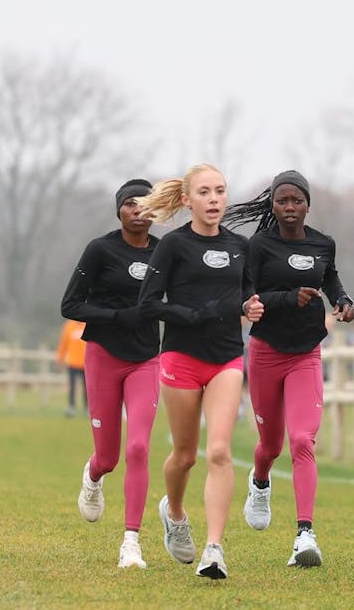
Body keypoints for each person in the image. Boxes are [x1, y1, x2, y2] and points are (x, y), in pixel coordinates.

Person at [135, 164, 263, 580]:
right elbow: (148, 304)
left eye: (220, 191)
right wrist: (194, 315)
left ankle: (214, 549)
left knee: (221, 452)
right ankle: (173, 511)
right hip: (181, 358)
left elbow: (246, 292)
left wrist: (251, 305)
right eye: (205, 192)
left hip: (226, 358)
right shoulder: (172, 245)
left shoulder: (240, 246)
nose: (213, 199)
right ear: (187, 199)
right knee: (185, 456)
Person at [224, 170, 354, 568]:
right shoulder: (260, 245)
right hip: (266, 352)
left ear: (307, 204)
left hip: (306, 353)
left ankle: (304, 534)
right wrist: (285, 299)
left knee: (302, 440)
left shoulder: (323, 243)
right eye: (282, 201)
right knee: (271, 446)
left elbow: (329, 277)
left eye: (296, 201)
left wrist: (343, 299)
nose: (289, 207)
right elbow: (246, 293)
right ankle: (260, 482)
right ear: (273, 205)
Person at [60, 178, 163, 569]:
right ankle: (93, 474)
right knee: (110, 456)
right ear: (118, 211)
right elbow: (70, 305)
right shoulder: (100, 250)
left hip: (145, 359)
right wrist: (117, 316)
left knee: (139, 447)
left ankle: (131, 542)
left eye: (145, 205)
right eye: (129, 205)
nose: (137, 212)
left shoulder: (165, 252)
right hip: (103, 354)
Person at [55, 320, 88, 418]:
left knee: (86, 387)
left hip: (85, 362)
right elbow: (63, 343)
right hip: (72, 362)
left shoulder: (87, 324)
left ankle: (87, 408)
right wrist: (60, 358)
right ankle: (71, 407)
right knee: (72, 386)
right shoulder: (69, 326)